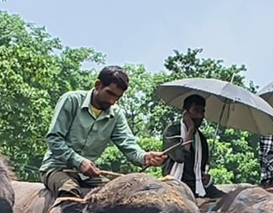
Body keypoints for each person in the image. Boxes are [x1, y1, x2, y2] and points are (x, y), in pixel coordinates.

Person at [41, 66, 166, 197]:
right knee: (69, 193)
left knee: (117, 196)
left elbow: (128, 144)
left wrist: (144, 157)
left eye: (117, 97)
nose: (112, 101)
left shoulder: (116, 114)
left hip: (88, 176)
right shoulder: (71, 100)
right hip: (57, 168)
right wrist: (79, 162)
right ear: (98, 85)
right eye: (110, 94)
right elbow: (54, 139)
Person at [162, 94, 222, 200]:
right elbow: (180, 157)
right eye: (196, 111)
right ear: (186, 112)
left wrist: (206, 178)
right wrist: (190, 130)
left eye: (202, 111)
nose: (200, 116)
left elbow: (201, 169)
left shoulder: (202, 139)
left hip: (197, 187)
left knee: (228, 199)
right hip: (175, 185)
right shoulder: (172, 131)